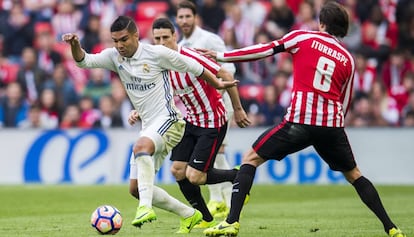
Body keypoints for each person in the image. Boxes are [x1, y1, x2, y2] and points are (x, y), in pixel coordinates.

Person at [199, 2, 407, 237]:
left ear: (322, 24)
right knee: (354, 175)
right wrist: (334, 128)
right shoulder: (348, 59)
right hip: (331, 126)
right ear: (344, 29)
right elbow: (345, 102)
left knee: (251, 158)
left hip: (299, 122)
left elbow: (263, 50)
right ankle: (391, 227)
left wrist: (221, 55)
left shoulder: (303, 38)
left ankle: (231, 222)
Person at [62, 15, 237, 234]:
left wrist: (218, 83)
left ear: (136, 35)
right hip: (148, 126)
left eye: (124, 39)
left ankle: (144, 208)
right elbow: (84, 61)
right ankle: (190, 215)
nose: (119, 45)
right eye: (115, 41)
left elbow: (196, 68)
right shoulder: (114, 57)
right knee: (136, 188)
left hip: (170, 120)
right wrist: (75, 45)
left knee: (141, 148)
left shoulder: (157, 54)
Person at [146, 17, 250, 229]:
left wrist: (238, 109)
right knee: (177, 170)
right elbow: (156, 93)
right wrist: (137, 112)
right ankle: (204, 217)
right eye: (157, 38)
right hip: (191, 120)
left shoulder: (189, 56)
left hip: (212, 121)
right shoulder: (159, 62)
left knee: (194, 176)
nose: (162, 42)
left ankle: (238, 175)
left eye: (166, 37)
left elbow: (225, 74)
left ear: (175, 36)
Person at [175, 0, 241, 222]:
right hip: (200, 110)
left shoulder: (209, 39)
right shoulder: (180, 45)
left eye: (187, 16)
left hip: (220, 100)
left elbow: (227, 69)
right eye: (181, 17)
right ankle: (220, 197)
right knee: (213, 155)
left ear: (196, 18)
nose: (184, 21)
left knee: (217, 151)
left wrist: (222, 99)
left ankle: (225, 197)